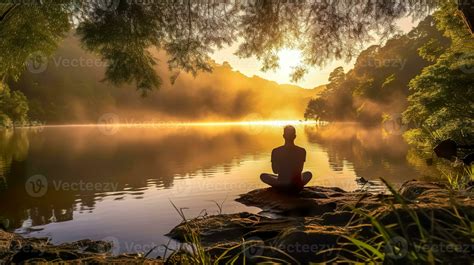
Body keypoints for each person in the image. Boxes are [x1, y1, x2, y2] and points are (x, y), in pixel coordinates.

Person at [260, 125, 312, 192]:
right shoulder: (302, 151)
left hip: (282, 184)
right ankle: (294, 185)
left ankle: (282, 184)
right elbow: (300, 169)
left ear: (283, 136)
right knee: (308, 174)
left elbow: (275, 171)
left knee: (263, 176)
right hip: (296, 184)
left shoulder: (276, 151)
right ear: (295, 136)